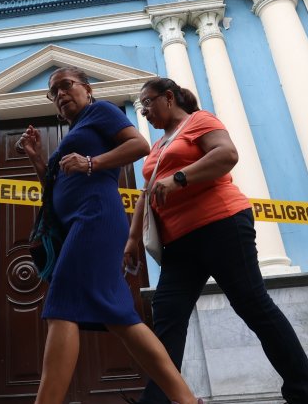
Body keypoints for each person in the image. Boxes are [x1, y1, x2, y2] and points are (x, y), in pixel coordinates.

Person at [124, 77, 308, 404]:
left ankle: (305, 395)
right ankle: (158, 400)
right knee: (167, 316)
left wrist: (180, 177)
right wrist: (132, 238)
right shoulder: (158, 147)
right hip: (178, 243)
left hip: (222, 225)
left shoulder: (200, 121)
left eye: (147, 103)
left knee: (253, 306)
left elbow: (226, 154)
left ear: (169, 97)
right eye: (141, 106)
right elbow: (146, 195)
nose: (144, 111)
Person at [18, 67, 202, 404]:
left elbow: (139, 145)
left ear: (87, 89)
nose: (59, 95)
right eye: (53, 92)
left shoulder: (100, 112)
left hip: (95, 219)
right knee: (120, 317)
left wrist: (91, 163)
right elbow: (55, 185)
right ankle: (187, 400)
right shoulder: (73, 133)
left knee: (61, 305)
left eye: (65, 86)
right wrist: (37, 160)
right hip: (78, 223)